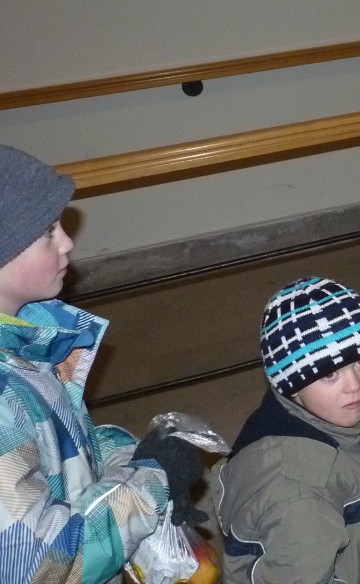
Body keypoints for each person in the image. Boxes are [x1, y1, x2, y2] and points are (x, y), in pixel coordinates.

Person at [0, 144, 204, 584]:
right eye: (47, 231)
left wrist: (138, 456)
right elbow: (38, 565)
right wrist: (152, 482)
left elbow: (62, 450)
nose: (68, 242)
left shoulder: (25, 343)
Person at [217, 276, 360, 584]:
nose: (355, 385)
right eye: (329, 373)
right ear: (290, 383)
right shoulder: (299, 497)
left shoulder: (342, 422)